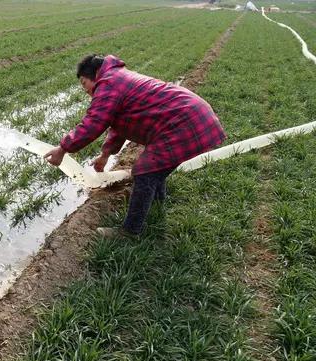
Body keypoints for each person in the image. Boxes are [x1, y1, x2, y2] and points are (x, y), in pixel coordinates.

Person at [44, 54, 226, 238]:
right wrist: (105, 155)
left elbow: (94, 122)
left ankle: (130, 231)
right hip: (192, 118)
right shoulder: (117, 78)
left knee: (145, 171)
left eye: (84, 83)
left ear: (95, 74)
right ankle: (156, 205)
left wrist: (62, 149)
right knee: (157, 167)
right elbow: (120, 125)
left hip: (184, 122)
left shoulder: (108, 84)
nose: (85, 90)